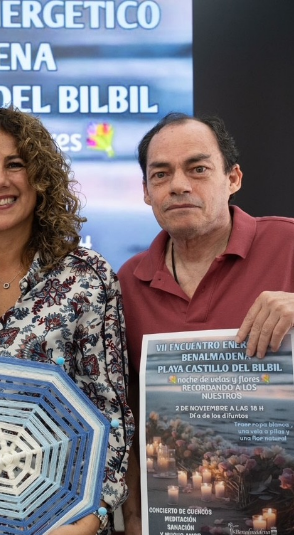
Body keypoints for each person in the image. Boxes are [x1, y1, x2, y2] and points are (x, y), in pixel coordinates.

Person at [0, 106, 134, 535]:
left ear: (40, 177)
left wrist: (92, 518)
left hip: (64, 520)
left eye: (14, 165)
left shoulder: (86, 276)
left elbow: (113, 414)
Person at [117, 112, 294, 535]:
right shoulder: (126, 282)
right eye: (161, 174)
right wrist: (134, 516)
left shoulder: (288, 244)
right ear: (146, 192)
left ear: (233, 178)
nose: (178, 184)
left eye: (197, 168)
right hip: (177, 514)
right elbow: (126, 414)